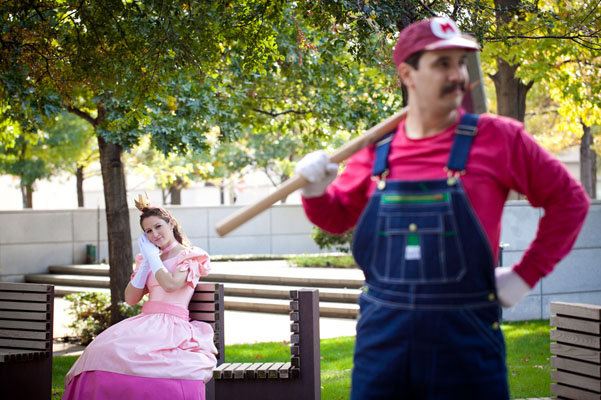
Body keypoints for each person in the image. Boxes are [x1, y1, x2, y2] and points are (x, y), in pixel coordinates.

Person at [295, 17, 590, 399]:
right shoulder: (377, 149)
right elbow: (335, 219)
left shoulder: (499, 137)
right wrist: (315, 191)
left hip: (466, 340)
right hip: (382, 341)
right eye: (442, 63)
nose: (457, 75)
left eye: (460, 63)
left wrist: (525, 274)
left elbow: (570, 201)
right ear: (407, 73)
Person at [63, 196, 217, 400]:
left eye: (158, 226)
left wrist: (153, 259)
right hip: (147, 322)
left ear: (171, 223)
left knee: (141, 360)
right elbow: (131, 298)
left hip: (172, 326)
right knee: (101, 350)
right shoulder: (149, 257)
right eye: (148, 231)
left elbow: (171, 285)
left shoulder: (189, 255)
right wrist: (146, 263)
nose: (155, 234)